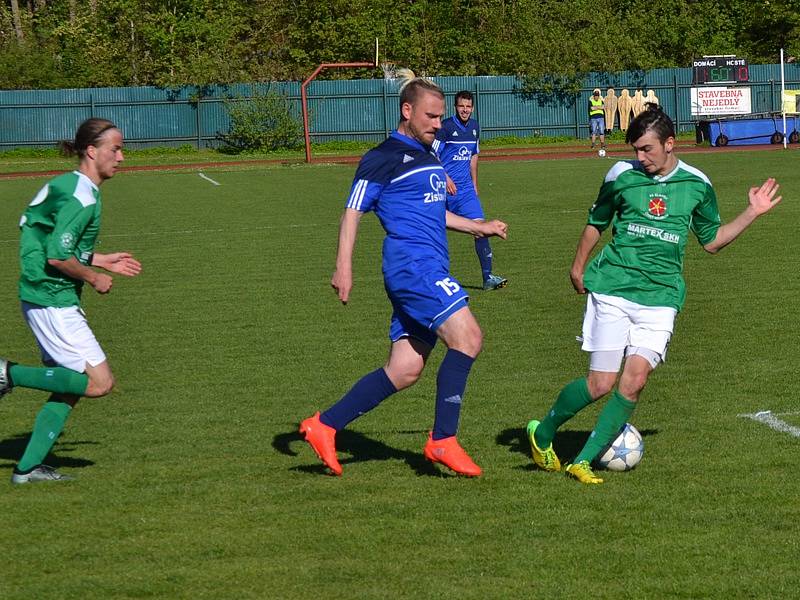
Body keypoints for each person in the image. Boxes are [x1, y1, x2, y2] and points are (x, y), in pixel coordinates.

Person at [525, 107, 782, 484]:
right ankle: (542, 432)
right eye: (636, 150)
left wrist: (751, 213)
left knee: (636, 380)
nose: (639, 158)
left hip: (661, 297)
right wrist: (578, 266)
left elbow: (711, 242)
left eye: (647, 150)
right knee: (600, 384)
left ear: (670, 144)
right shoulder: (620, 176)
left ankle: (582, 461)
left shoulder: (697, 184)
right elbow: (597, 223)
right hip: (613, 288)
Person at [299, 71, 508, 477]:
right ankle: (443, 440)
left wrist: (477, 226)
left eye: (441, 116)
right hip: (413, 267)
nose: (439, 123)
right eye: (431, 116)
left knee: (405, 369)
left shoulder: (429, 154)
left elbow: (432, 211)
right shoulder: (382, 157)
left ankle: (324, 426)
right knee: (468, 337)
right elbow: (352, 210)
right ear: (407, 111)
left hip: (429, 265)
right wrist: (343, 267)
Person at [0, 118, 142, 484]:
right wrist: (95, 277)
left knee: (69, 388)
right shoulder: (83, 196)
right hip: (52, 298)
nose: (122, 157)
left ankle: (27, 469)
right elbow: (57, 257)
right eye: (116, 149)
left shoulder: (71, 185)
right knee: (98, 383)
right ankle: (7, 373)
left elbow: (59, 243)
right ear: (92, 151)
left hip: (42, 294)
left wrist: (100, 258)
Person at [432, 91, 507, 290]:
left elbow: (473, 157)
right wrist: (445, 177)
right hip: (442, 190)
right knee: (433, 232)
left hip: (465, 191)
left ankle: (488, 278)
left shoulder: (474, 127)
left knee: (481, 229)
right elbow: (432, 154)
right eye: (461, 106)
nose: (465, 110)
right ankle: (432, 279)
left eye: (468, 106)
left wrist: (474, 183)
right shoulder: (445, 127)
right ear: (455, 107)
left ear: (472, 107)